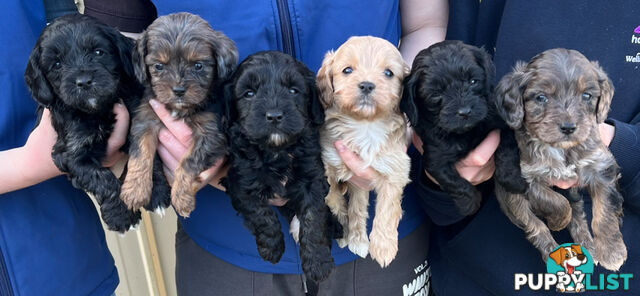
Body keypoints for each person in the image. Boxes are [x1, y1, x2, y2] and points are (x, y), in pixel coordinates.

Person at [143, 0, 507, 295]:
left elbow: (424, 25)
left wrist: (406, 115)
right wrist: (165, 138)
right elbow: (130, 46)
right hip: (223, 233)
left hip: (387, 229)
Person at [422, 1, 640, 295]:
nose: (567, 119)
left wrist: (625, 147)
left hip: (620, 278)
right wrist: (444, 179)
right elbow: (435, 70)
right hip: (483, 266)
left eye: (587, 96)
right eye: (541, 98)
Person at [0, 0, 155, 295]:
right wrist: (28, 164)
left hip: (68, 256)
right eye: (58, 64)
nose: (81, 76)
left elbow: (65, 18)